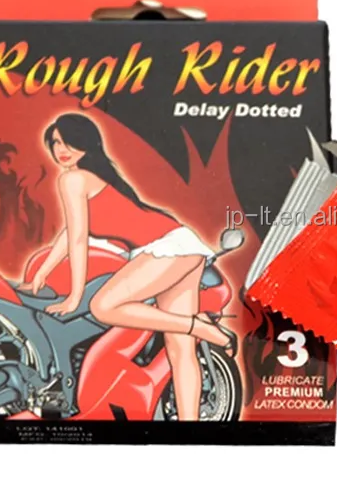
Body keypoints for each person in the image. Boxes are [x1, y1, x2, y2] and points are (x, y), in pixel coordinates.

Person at [21, 113, 224, 420]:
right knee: (180, 351)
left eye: (69, 141)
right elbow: (70, 233)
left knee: (103, 306)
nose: (61, 149)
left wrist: (75, 297)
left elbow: (79, 239)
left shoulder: (73, 179)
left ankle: (198, 327)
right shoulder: (90, 177)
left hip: (164, 249)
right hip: (181, 243)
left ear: (86, 142)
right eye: (56, 143)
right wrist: (41, 274)